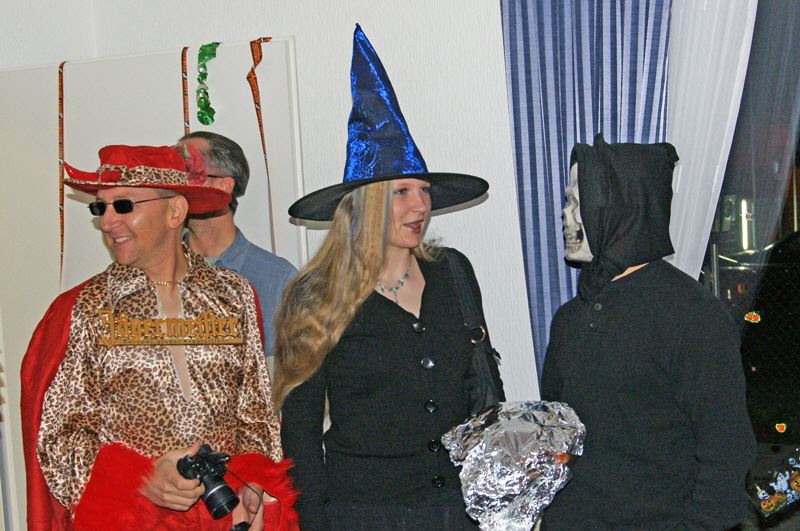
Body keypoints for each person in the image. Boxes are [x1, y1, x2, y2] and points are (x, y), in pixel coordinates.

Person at [274, 25, 504, 530]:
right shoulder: (315, 296)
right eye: (402, 191)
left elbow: (481, 386)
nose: (420, 206)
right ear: (365, 203)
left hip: (459, 510)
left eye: (424, 191)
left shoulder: (453, 272)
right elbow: (300, 436)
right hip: (365, 514)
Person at [20, 144, 298, 530]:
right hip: (131, 522)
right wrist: (142, 480)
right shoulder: (84, 308)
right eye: (100, 208)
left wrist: (254, 481)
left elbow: (255, 414)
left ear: (175, 211)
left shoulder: (234, 296)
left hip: (222, 519)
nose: (107, 222)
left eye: (124, 206)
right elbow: (57, 438)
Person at [541, 134, 757, 530]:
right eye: (567, 202)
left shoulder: (691, 316)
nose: (566, 216)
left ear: (620, 208)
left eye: (576, 202)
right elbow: (559, 435)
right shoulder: (570, 319)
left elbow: (726, 452)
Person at [178, 131, 297, 375]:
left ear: (223, 186)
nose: (174, 185)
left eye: (186, 172)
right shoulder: (152, 274)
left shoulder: (277, 280)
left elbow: (290, 381)